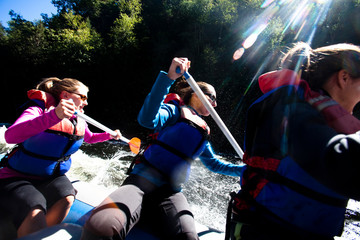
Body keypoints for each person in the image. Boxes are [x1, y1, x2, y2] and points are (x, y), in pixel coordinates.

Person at [81, 57, 245, 240]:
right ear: (196, 94)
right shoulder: (174, 110)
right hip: (140, 182)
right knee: (100, 228)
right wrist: (168, 78)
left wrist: (249, 170)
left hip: (171, 192)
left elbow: (215, 164)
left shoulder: (204, 132)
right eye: (212, 98)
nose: (215, 104)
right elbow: (147, 119)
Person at [227, 42, 360, 240]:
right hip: (267, 230)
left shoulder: (320, 119)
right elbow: (338, 161)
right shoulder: (287, 109)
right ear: (344, 78)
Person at [0, 77, 121, 238]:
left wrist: (109, 136)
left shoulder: (78, 119)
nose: (86, 103)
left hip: (50, 176)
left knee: (67, 195)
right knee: (34, 205)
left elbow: (89, 137)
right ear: (65, 95)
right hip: (16, 175)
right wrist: (54, 116)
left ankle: (40, 233)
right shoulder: (38, 111)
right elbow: (10, 136)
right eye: (83, 97)